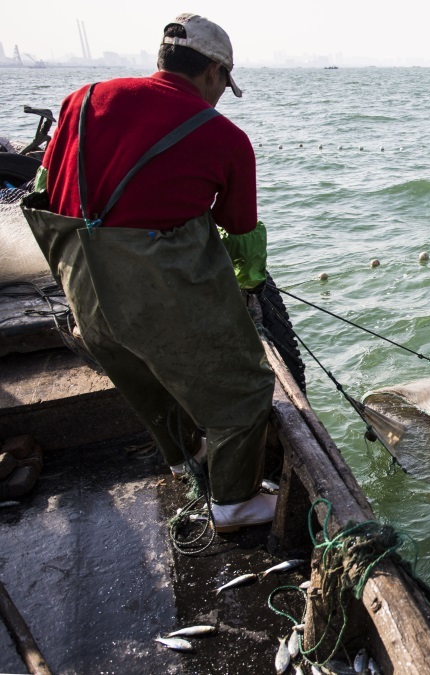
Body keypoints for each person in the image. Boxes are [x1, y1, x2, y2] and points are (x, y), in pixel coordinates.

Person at [20, 13, 276, 532]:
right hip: (155, 294)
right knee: (245, 388)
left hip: (81, 288)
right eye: (225, 84)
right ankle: (234, 503)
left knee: (142, 380)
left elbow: (45, 187)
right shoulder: (223, 136)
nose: (222, 95)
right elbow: (240, 228)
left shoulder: (81, 100)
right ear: (213, 73)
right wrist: (248, 285)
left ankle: (186, 458)